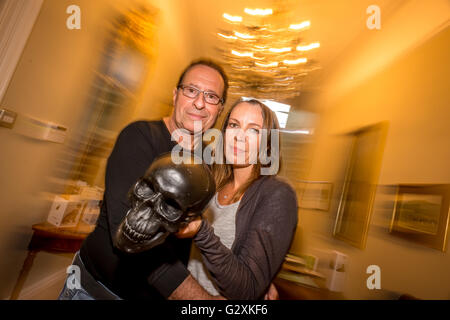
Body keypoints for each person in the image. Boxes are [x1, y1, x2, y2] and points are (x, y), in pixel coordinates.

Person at [58, 58, 229, 300]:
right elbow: (131, 237)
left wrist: (253, 279)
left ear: (219, 109)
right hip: (97, 293)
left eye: (211, 96)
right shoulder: (139, 138)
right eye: (191, 90)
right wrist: (203, 301)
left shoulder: (206, 161)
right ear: (175, 95)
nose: (200, 103)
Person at [177, 98, 298, 300]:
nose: (239, 137)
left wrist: (201, 231)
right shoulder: (210, 184)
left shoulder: (277, 195)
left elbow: (247, 289)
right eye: (234, 125)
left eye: (254, 130)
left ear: (268, 143)